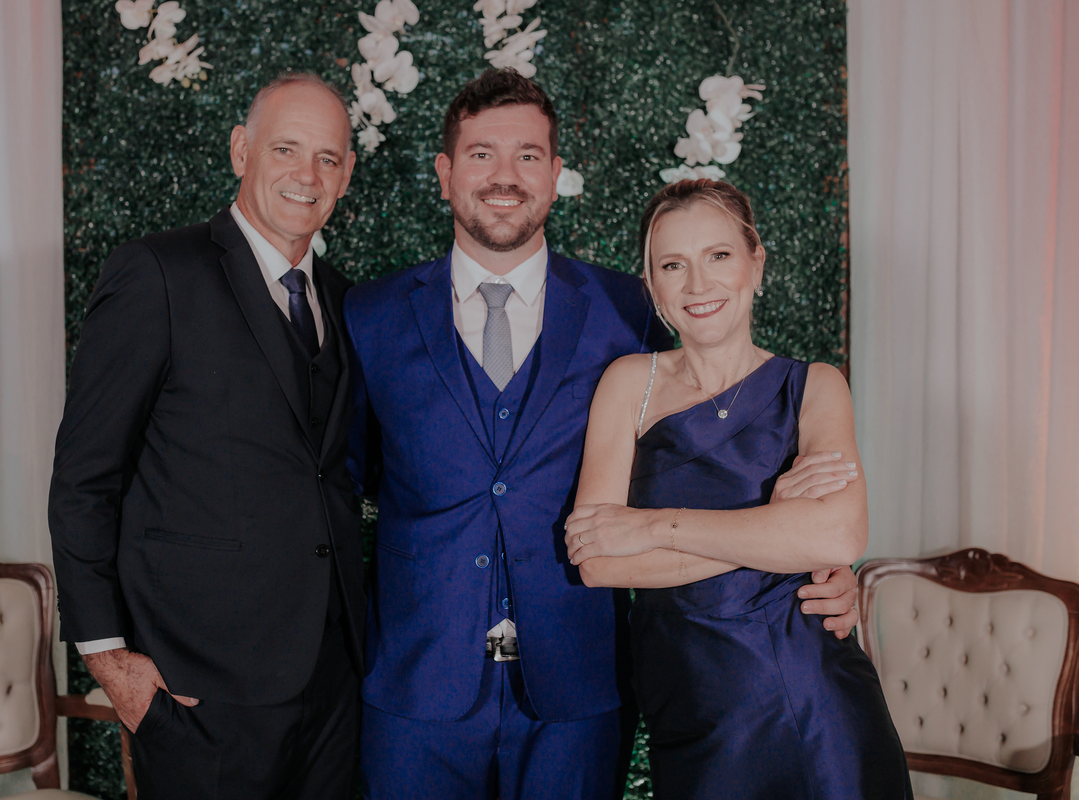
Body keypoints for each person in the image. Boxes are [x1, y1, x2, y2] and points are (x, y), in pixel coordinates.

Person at [344, 69, 861, 800]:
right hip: (413, 686)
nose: (504, 175)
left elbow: (697, 451)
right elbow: (342, 483)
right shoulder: (369, 315)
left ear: (555, 176)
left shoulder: (630, 309)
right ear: (445, 172)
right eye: (482, 154)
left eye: (527, 155)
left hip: (579, 685)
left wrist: (818, 567)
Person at [48, 74, 364, 800]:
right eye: (285, 149)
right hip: (199, 688)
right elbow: (85, 477)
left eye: (327, 158)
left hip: (333, 682)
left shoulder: (345, 298)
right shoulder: (157, 273)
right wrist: (108, 660)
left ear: (346, 175)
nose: (307, 174)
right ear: (240, 150)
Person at [564, 179, 912, 798]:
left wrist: (651, 526)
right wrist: (772, 525)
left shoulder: (815, 386)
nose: (698, 284)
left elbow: (837, 535)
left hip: (816, 704)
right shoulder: (628, 383)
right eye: (673, 265)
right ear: (652, 286)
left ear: (756, 263)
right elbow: (596, 560)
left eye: (719, 255)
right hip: (687, 706)